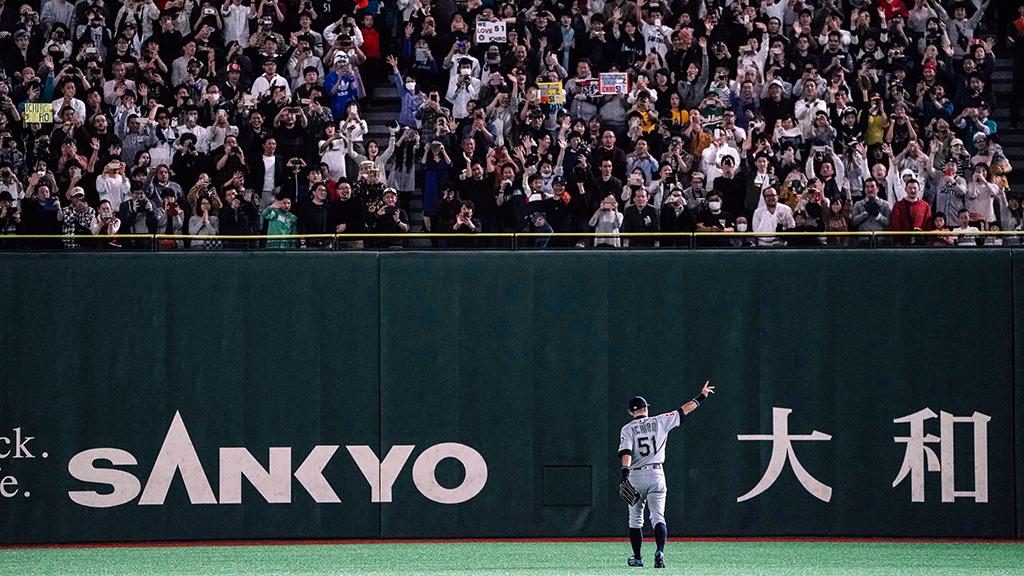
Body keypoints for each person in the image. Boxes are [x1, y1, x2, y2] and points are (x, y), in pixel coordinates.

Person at [618, 381, 716, 569]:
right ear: (646, 408)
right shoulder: (660, 420)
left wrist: (624, 473)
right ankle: (660, 551)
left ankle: (638, 558)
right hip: (657, 474)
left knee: (635, 519)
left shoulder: (628, 428)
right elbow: (684, 410)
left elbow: (626, 452)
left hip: (636, 476)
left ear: (631, 412)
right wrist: (702, 396)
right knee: (658, 517)